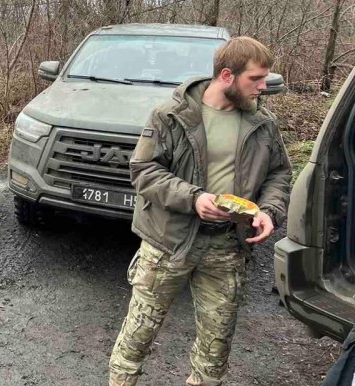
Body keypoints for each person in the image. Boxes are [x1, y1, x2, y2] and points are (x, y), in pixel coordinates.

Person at [108, 37, 291, 386]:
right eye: (255, 78)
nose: (263, 87)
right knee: (137, 338)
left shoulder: (263, 123)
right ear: (227, 75)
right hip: (168, 244)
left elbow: (279, 173)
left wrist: (269, 210)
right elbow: (143, 170)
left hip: (227, 248)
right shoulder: (171, 116)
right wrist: (193, 198)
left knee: (215, 350)